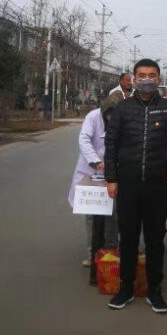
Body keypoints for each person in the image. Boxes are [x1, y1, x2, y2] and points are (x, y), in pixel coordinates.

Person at [104, 58, 167, 314]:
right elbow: (111, 145)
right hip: (127, 185)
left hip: (157, 186)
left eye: (151, 75)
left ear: (158, 79)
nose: (147, 79)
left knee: (155, 239)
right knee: (127, 238)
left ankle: (155, 290)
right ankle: (126, 288)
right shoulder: (123, 109)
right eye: (141, 75)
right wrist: (111, 178)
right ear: (134, 79)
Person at [68, 107, 118, 267]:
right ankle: (93, 255)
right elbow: (84, 139)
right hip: (91, 171)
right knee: (91, 215)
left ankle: (111, 253)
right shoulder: (93, 117)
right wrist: (95, 160)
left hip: (113, 174)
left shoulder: (124, 116)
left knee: (112, 214)